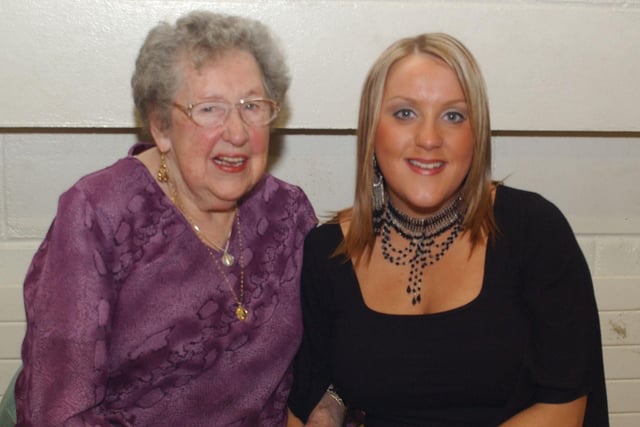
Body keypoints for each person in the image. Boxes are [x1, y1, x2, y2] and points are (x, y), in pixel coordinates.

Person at [287, 33, 608, 426]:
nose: (428, 139)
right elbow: (311, 393)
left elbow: (564, 407)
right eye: (405, 113)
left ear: (477, 135)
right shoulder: (327, 252)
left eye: (453, 116)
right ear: (372, 130)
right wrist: (328, 406)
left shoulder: (533, 230)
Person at [15, 10, 317, 426]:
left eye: (252, 106)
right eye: (209, 108)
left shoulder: (288, 215)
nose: (238, 132)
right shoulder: (97, 215)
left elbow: (325, 356)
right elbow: (59, 412)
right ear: (160, 126)